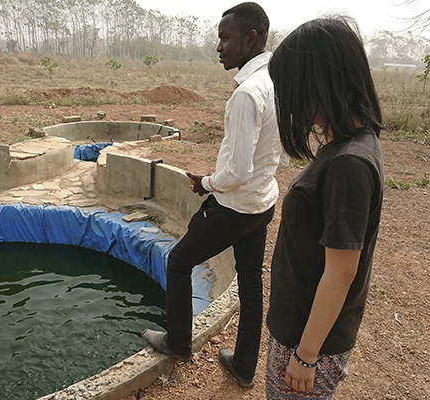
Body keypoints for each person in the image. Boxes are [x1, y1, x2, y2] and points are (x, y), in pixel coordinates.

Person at [142, 2, 283, 389]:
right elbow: (276, 152)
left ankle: (178, 342)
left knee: (178, 261)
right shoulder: (275, 82)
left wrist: (203, 183)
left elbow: (235, 172)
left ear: (250, 38)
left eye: (225, 38)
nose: (218, 47)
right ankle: (243, 366)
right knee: (251, 285)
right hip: (263, 204)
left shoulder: (246, 94)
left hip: (234, 207)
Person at [265, 16, 384, 398]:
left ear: (321, 82)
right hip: (299, 330)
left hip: (307, 343)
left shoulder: (349, 164)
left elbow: (341, 272)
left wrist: (306, 354)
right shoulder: (347, 147)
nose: (292, 103)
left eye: (294, 89)